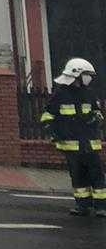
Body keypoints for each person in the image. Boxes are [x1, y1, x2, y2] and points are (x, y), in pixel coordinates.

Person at [42, 57, 106, 217]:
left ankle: (101, 207)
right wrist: (54, 132)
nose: (89, 78)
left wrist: (96, 118)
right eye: (87, 75)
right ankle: (83, 206)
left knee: (97, 176)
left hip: (90, 145)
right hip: (71, 146)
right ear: (77, 74)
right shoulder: (60, 95)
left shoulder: (89, 94)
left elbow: (97, 113)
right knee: (78, 178)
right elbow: (47, 117)